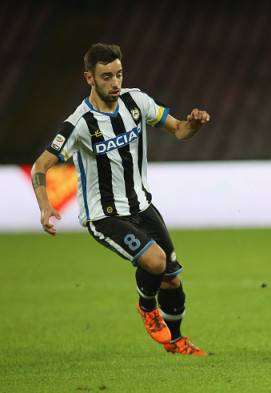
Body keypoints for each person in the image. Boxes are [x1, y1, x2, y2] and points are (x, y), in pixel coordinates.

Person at [31, 43, 210, 356]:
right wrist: (46, 205)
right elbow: (40, 166)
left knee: (172, 281)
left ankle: (175, 341)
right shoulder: (79, 123)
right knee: (155, 261)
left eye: (118, 74)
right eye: (106, 77)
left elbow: (179, 130)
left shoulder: (136, 101)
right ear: (89, 78)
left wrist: (193, 124)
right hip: (105, 215)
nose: (115, 83)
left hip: (142, 205)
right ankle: (146, 308)